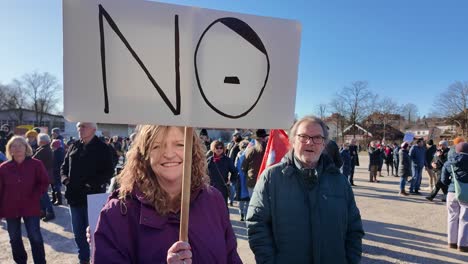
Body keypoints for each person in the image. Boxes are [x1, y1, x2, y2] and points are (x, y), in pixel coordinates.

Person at [92, 125, 242, 263]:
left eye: (179, 144)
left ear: (193, 150)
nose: (169, 154)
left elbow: (231, 257)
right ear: (144, 155)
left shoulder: (213, 200)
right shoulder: (118, 212)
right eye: (157, 146)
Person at [246, 116, 364, 263]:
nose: (310, 142)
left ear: (324, 144)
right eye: (303, 137)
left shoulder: (339, 182)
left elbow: (354, 229)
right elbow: (257, 225)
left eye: (317, 138)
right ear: (293, 141)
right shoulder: (271, 178)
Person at [61, 122, 115, 264]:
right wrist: (65, 180)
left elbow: (109, 171)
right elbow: (63, 167)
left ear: (94, 129)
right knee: (79, 235)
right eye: (79, 126)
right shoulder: (74, 145)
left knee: (94, 234)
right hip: (74, 197)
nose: (80, 129)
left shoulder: (103, 148)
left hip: (93, 197)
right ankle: (83, 260)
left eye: (84, 126)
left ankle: (96, 259)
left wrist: (91, 184)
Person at [0, 136, 49, 264]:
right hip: (10, 208)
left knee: (35, 236)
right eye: (13, 146)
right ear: (9, 150)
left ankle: (40, 261)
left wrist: (35, 194)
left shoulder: (36, 164)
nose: (17, 148)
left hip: (31, 206)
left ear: (26, 148)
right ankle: (20, 261)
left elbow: (44, 182)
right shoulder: (3, 168)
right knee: (14, 238)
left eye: (20, 145)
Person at [440, 142, 468, 252]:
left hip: (452, 192)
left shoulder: (448, 163)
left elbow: (443, 180)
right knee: (465, 219)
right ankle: (463, 245)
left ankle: (451, 242)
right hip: (466, 193)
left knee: (452, 217)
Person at [207, 140, 238, 206]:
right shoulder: (209, 160)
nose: (219, 149)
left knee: (222, 207)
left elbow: (234, 172)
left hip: (222, 187)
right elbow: (204, 172)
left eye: (221, 148)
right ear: (213, 148)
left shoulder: (227, 160)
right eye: (217, 148)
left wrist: (231, 180)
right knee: (211, 207)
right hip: (211, 187)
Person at [33, 133, 56, 221]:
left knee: (43, 195)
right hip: (46, 174)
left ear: (41, 141)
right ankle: (43, 211)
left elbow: (33, 159)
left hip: (43, 175)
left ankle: (50, 213)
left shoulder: (43, 150)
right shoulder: (46, 149)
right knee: (41, 194)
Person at [241, 129, 268, 197]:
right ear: (264, 138)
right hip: (267, 181)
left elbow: (243, 167)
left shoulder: (251, 150)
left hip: (253, 181)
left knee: (253, 203)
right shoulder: (270, 150)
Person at [235, 140, 251, 221]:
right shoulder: (241, 155)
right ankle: (243, 213)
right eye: (243, 147)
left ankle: (243, 213)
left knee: (244, 198)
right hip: (243, 178)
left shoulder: (240, 155)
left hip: (244, 178)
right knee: (243, 198)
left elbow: (235, 166)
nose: (244, 149)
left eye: (245, 147)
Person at [51, 139, 65, 205]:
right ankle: (55, 199)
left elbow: (58, 163)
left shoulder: (57, 153)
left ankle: (58, 200)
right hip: (57, 171)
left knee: (56, 186)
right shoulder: (60, 151)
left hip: (57, 171)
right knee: (55, 185)